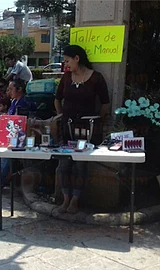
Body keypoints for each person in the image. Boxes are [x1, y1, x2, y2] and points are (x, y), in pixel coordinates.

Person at [54, 45, 110, 214]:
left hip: (87, 130)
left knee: (81, 165)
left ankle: (75, 201)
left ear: (77, 58)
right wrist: (61, 116)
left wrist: (97, 121)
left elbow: (105, 103)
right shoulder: (66, 78)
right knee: (64, 164)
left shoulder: (96, 78)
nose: (65, 65)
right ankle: (65, 199)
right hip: (67, 129)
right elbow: (57, 99)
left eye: (67, 61)